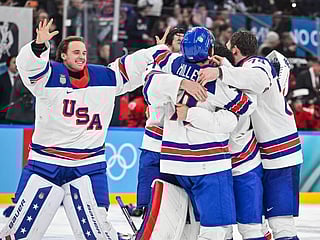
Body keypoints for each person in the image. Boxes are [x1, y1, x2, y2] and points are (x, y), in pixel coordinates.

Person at [0, 18, 170, 240]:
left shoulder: (104, 77)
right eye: (75, 52)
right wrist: (39, 46)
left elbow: (131, 66)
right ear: (62, 55)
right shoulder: (47, 76)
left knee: (97, 226)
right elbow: (29, 66)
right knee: (21, 231)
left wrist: (156, 52)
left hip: (88, 164)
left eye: (83, 52)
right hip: (46, 162)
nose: (81, 56)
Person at [141, 27, 258, 239]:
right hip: (209, 163)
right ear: (211, 49)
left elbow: (148, 84)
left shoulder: (171, 64)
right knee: (217, 231)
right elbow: (246, 107)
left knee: (185, 228)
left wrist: (180, 83)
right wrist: (226, 68)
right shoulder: (219, 81)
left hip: (173, 162)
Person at [198, 30, 303, 240]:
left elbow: (259, 79)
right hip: (271, 153)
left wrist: (220, 72)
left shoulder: (257, 64)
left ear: (234, 49)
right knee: (263, 225)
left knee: (281, 224)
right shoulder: (242, 71)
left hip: (281, 152)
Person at [0, 56, 18, 123]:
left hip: (19, 116)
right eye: (14, 62)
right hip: (3, 116)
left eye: (17, 63)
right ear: (8, 64)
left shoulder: (24, 80)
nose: (16, 65)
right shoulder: (1, 79)